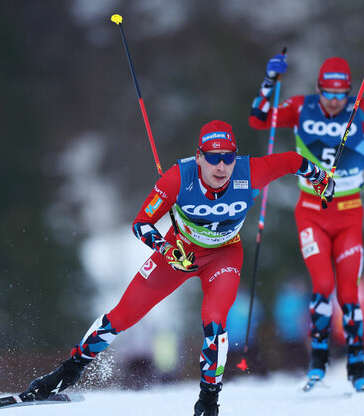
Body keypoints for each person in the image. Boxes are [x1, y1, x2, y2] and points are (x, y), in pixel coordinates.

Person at [22, 120, 335, 416]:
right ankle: (68, 372)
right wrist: (167, 248)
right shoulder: (178, 178)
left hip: (224, 255)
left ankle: (208, 401)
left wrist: (321, 178)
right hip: (179, 252)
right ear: (199, 157)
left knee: (214, 322)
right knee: (122, 315)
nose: (221, 166)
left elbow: (295, 161)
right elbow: (141, 224)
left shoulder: (251, 172)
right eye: (213, 158)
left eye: (227, 157)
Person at [248, 52, 364, 391]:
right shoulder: (300, 107)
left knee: (349, 292)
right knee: (323, 285)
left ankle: (357, 365)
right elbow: (259, 119)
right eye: (328, 93)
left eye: (342, 95)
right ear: (318, 89)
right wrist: (269, 81)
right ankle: (318, 361)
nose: (335, 101)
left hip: (350, 211)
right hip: (311, 210)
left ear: (350, 91)